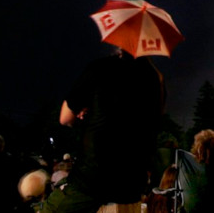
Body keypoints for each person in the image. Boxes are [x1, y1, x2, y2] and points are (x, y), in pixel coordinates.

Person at [46, 48, 166, 213]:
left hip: (91, 179)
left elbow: (65, 118)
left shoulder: (100, 68)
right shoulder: (156, 80)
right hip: (131, 187)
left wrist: (87, 111)